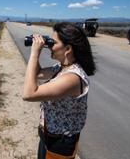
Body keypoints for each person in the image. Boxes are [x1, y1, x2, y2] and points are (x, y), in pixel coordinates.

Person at [22, 22, 96, 159]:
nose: (49, 46)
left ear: (67, 48)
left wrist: (34, 54)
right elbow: (37, 73)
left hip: (60, 142)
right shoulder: (62, 67)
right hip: (48, 134)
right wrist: (36, 53)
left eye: (53, 43)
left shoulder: (72, 78)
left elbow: (28, 94)